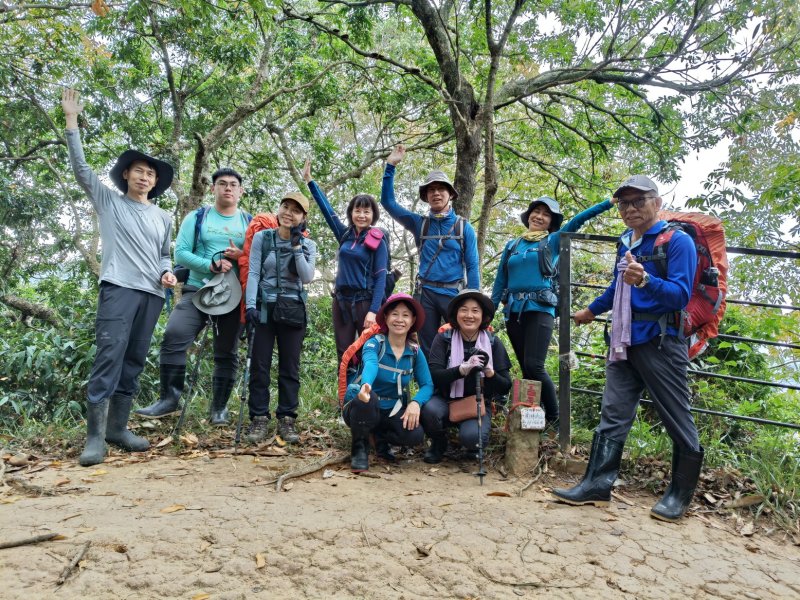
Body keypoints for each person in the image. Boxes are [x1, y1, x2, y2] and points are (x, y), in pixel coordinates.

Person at [552, 175, 702, 522]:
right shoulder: (626, 242)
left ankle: (679, 495)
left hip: (660, 340)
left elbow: (681, 296)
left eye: (638, 201)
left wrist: (646, 279)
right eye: (624, 203)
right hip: (623, 338)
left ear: (657, 203)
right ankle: (596, 484)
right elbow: (617, 287)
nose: (630, 208)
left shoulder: (677, 242)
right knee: (613, 412)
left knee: (675, 414)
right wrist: (591, 311)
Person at [61, 88, 176, 467]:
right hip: (118, 288)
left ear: (155, 182)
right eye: (139, 170)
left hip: (152, 295)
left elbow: (164, 254)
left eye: (151, 173)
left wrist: (167, 272)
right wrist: (71, 121)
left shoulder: (162, 217)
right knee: (109, 356)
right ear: (126, 174)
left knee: (135, 359)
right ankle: (94, 438)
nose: (145, 176)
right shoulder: (109, 201)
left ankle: (117, 429)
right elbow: (81, 170)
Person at [135, 168, 250, 425]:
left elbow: (257, 256)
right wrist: (210, 265)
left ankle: (219, 408)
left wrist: (241, 255)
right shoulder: (197, 217)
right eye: (222, 184)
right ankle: (168, 401)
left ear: (241, 191)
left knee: (227, 352)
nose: (228, 188)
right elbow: (181, 254)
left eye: (233, 185)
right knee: (174, 336)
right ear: (213, 188)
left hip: (233, 296)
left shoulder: (248, 222)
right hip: (197, 289)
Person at [491, 195, 615, 426]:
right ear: (529, 215)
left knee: (535, 365)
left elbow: (577, 221)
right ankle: (534, 420)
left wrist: (608, 203)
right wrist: (488, 312)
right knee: (526, 367)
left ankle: (555, 419)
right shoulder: (513, 245)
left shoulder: (552, 241)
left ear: (552, 221)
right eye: (536, 211)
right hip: (514, 311)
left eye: (546, 214)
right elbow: (500, 280)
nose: (539, 216)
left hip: (540, 309)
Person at [381, 145, 479, 355]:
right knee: (427, 348)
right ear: (426, 196)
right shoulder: (420, 224)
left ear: (450, 194)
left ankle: (460, 377)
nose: (436, 193)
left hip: (453, 293)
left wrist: (475, 301)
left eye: (441, 189)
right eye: (431, 190)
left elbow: (472, 266)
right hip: (426, 293)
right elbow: (388, 203)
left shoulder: (464, 227)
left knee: (461, 344)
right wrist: (390, 166)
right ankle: (430, 378)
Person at [244, 191, 317, 445]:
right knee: (260, 365)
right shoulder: (262, 238)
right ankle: (259, 417)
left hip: (293, 308)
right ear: (279, 210)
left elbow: (307, 277)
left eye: (295, 210)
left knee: (290, 367)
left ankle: (287, 418)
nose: (289, 213)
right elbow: (254, 273)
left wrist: (296, 246)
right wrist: (250, 306)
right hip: (264, 308)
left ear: (303, 218)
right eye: (285, 207)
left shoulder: (308, 245)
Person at [302, 159, 388, 361]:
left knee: (368, 351)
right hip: (341, 301)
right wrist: (309, 180)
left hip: (365, 302)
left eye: (366, 211)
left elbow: (381, 278)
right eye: (357, 210)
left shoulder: (378, 241)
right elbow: (327, 210)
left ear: (373, 215)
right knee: (344, 353)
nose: (361, 215)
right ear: (351, 213)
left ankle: (366, 384)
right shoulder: (345, 235)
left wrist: (373, 311)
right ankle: (344, 384)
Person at [344, 293, 434, 473]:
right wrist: (366, 385)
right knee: (368, 399)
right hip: (364, 405)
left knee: (414, 435)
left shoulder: (414, 352)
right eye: (394, 314)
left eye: (405, 315)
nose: (399, 320)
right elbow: (371, 364)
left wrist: (416, 403)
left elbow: (427, 384)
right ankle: (359, 449)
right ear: (385, 317)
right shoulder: (375, 343)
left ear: (413, 320)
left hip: (392, 409)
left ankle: (380, 440)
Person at [420, 290, 512, 463]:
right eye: (464, 310)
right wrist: (461, 370)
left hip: (476, 402)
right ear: (456, 314)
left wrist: (489, 372)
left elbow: (506, 386)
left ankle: (471, 446)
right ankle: (439, 442)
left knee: (472, 438)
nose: (469, 315)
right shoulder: (444, 339)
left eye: (475, 311)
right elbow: (434, 376)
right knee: (429, 411)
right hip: (445, 399)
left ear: (483, 315)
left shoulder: (493, 342)